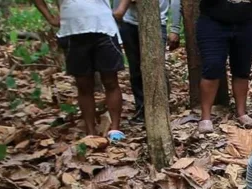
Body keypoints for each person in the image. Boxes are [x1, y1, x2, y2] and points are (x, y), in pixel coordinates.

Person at [34, 0, 130, 142]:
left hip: (104, 28)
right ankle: (90, 133)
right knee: (83, 84)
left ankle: (115, 129)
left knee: (110, 80)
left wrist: (121, 10)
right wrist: (50, 18)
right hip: (73, 31)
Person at [196, 0, 252, 133]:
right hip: (213, 21)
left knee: (242, 69)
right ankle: (205, 118)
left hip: (247, 20)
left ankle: (242, 113)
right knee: (212, 67)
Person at [117, 0, 182, 125]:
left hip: (156, 23)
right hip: (129, 23)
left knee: (156, 68)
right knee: (135, 69)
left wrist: (175, 29)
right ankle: (141, 109)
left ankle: (160, 107)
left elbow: (175, 2)